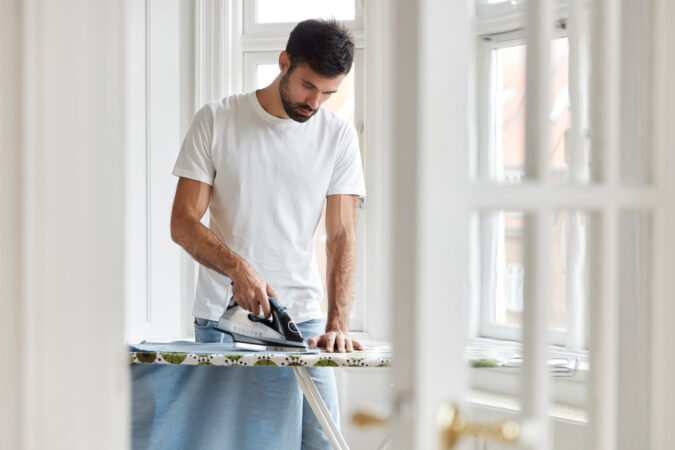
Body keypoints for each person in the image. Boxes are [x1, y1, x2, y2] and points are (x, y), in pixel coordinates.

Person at [170, 18, 366, 449]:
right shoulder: (217, 120)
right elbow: (183, 223)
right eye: (308, 86)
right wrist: (238, 268)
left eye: (328, 93)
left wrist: (338, 321)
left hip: (306, 322)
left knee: (324, 442)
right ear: (284, 62)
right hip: (224, 319)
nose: (315, 102)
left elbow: (342, 236)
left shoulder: (337, 136)